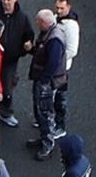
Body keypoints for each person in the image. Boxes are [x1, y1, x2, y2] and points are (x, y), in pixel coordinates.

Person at [26, 9, 67, 161]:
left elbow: (53, 63)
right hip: (43, 80)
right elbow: (42, 53)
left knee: (45, 113)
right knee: (40, 111)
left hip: (47, 82)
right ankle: (43, 137)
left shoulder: (54, 39)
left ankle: (47, 144)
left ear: (44, 22)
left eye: (38, 21)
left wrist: (44, 80)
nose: (36, 23)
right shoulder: (49, 33)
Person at [54, 0, 79, 136]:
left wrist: (57, 60)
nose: (58, 11)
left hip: (62, 69)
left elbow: (72, 50)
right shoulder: (55, 19)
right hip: (52, 66)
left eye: (62, 8)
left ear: (68, 7)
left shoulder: (71, 26)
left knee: (59, 98)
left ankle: (60, 125)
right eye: (57, 8)